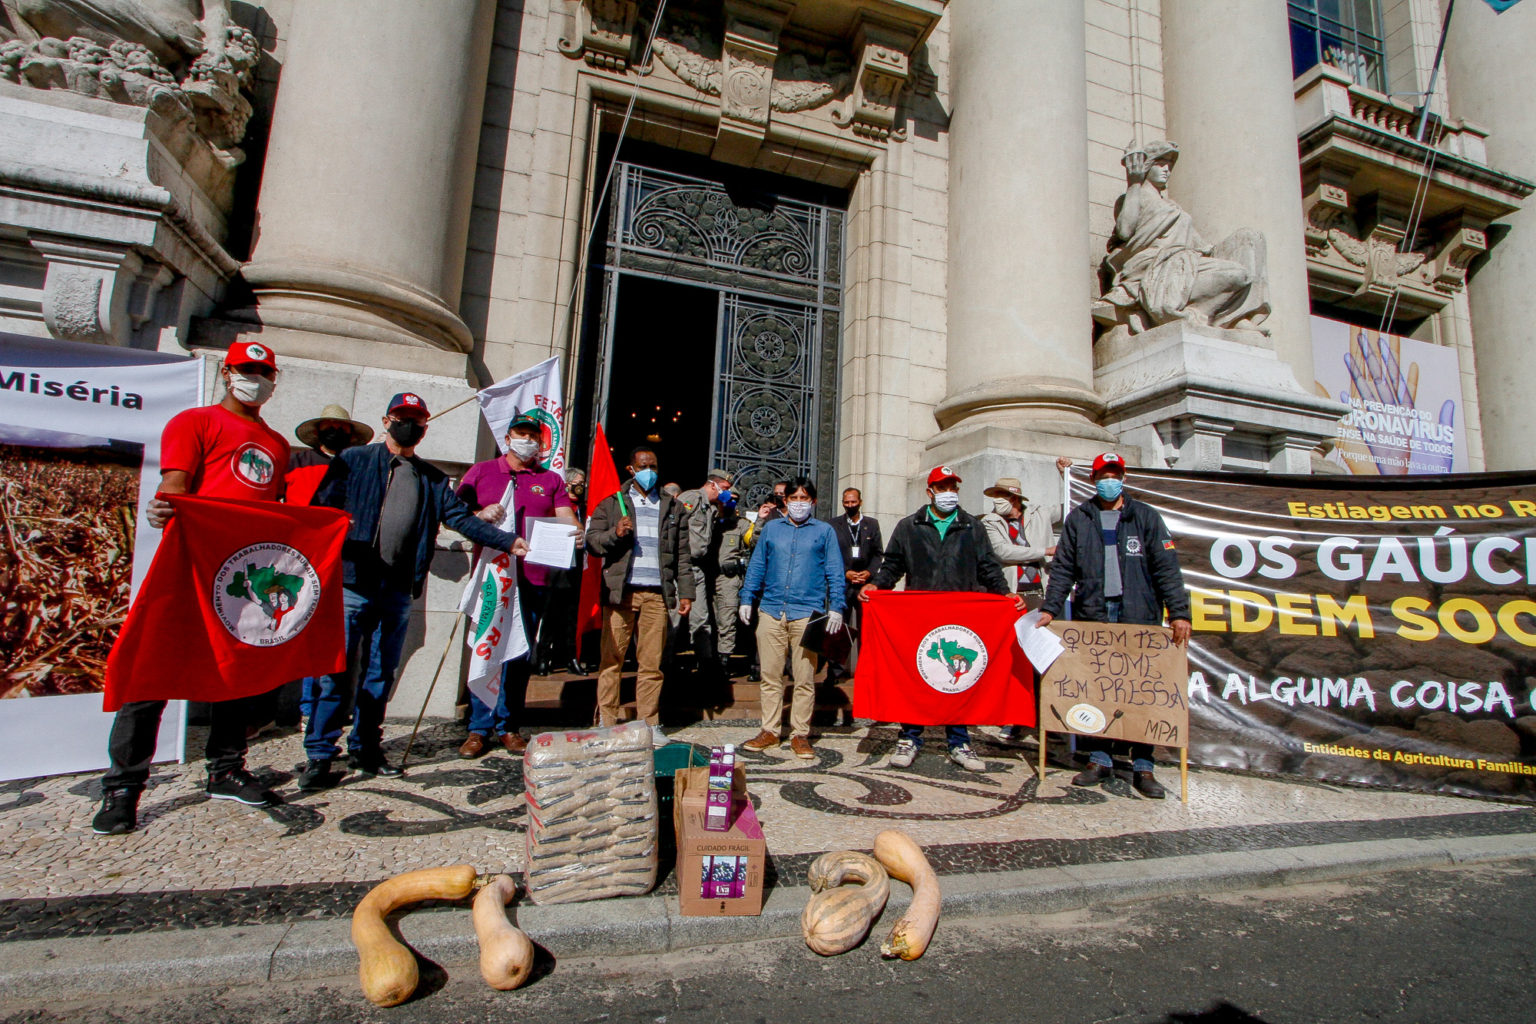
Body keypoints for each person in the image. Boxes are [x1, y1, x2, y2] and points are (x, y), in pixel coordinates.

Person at [92, 341, 290, 835]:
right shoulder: (194, 423)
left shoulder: (276, 444)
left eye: (264, 372)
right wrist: (167, 510)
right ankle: (123, 786)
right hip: (189, 565)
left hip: (243, 573)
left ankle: (225, 767)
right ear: (228, 372)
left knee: (237, 669)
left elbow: (273, 507)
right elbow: (175, 487)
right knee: (152, 672)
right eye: (247, 370)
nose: (255, 379)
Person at [298, 393, 527, 789]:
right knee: (335, 672)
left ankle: (367, 746)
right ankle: (320, 753)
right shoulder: (353, 461)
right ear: (387, 420)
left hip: (398, 588)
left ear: (425, 426)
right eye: (403, 417)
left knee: (380, 673)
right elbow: (322, 510)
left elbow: (459, 518)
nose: (410, 424)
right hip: (352, 583)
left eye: (417, 419)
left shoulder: (433, 478)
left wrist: (506, 541)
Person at [1038, 452, 1191, 799]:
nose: (1110, 480)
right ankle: (1099, 757)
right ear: (1094, 481)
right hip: (1095, 613)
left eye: (1115, 474)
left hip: (1138, 612)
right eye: (1103, 475)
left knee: (1141, 688)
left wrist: (1178, 612)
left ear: (1123, 478)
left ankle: (1143, 764)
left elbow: (1167, 569)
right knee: (1098, 686)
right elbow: (1063, 568)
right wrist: (1049, 609)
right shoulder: (1080, 519)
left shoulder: (1146, 518)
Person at [861, 466, 1023, 772]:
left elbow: (988, 565)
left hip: (961, 615)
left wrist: (1005, 594)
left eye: (953, 486)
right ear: (930, 491)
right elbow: (893, 564)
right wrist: (878, 585)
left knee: (957, 676)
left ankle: (960, 741)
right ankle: (910, 736)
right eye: (942, 486)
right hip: (920, 615)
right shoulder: (909, 526)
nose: (949, 492)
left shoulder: (972, 527)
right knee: (918, 674)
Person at [455, 413, 583, 759]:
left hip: (533, 577)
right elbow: (456, 514)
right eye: (520, 433)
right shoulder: (482, 471)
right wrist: (481, 515)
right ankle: (478, 727)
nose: (526, 439)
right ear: (508, 436)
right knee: (488, 647)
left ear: (541, 442)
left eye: (532, 435)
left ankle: (508, 725)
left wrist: (576, 531)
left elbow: (564, 515)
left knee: (519, 653)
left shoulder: (551, 479)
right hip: (494, 578)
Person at [1100, 140, 1268, 332]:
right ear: (1146, 167)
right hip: (1157, 266)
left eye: (1169, 166)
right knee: (1238, 275)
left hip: (1185, 263)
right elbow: (1124, 231)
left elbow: (1204, 248)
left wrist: (1242, 244)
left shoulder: (1174, 208)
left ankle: (1233, 315)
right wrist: (1134, 183)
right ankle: (1205, 316)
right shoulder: (1134, 197)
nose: (1166, 170)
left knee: (1250, 239)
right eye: (1160, 164)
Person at [586, 446, 694, 746]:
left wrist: (685, 592)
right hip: (620, 593)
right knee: (612, 660)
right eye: (643, 465)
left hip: (657, 595)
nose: (650, 471)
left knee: (651, 664)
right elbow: (592, 542)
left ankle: (649, 722)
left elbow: (682, 555)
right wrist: (615, 534)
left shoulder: (672, 507)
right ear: (630, 469)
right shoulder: (612, 504)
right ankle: (606, 720)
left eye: (654, 466)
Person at [738, 477, 844, 759]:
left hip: (807, 613)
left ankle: (800, 733)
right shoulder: (772, 529)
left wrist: (837, 606)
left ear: (813, 501)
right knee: (770, 676)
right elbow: (758, 564)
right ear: (785, 501)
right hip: (772, 609)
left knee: (804, 677)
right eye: (794, 498)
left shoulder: (824, 532)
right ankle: (770, 730)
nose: (799, 503)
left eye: (804, 498)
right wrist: (747, 598)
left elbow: (835, 570)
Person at [677, 468, 734, 677]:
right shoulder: (691, 498)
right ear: (713, 485)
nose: (727, 493)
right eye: (725, 488)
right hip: (681, 566)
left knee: (701, 618)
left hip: (698, 568)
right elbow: (673, 527)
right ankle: (663, 663)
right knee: (674, 619)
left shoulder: (711, 507)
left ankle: (706, 663)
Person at [979, 475, 1053, 606]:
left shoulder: (1040, 514)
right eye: (995, 496)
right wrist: (1045, 551)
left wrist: (1066, 474)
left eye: (1001, 495)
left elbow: (1072, 505)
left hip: (1042, 592)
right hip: (1012, 594)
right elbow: (1003, 552)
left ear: (1014, 498)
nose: (996, 500)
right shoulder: (989, 521)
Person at [832, 487, 882, 678]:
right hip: (843, 584)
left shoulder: (872, 524)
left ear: (860, 502)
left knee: (866, 630)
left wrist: (869, 572)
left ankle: (865, 671)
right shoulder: (834, 525)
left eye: (853, 502)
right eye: (846, 502)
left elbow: (879, 553)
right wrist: (846, 573)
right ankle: (835, 673)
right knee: (838, 629)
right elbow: (831, 554)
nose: (850, 505)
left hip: (864, 585)